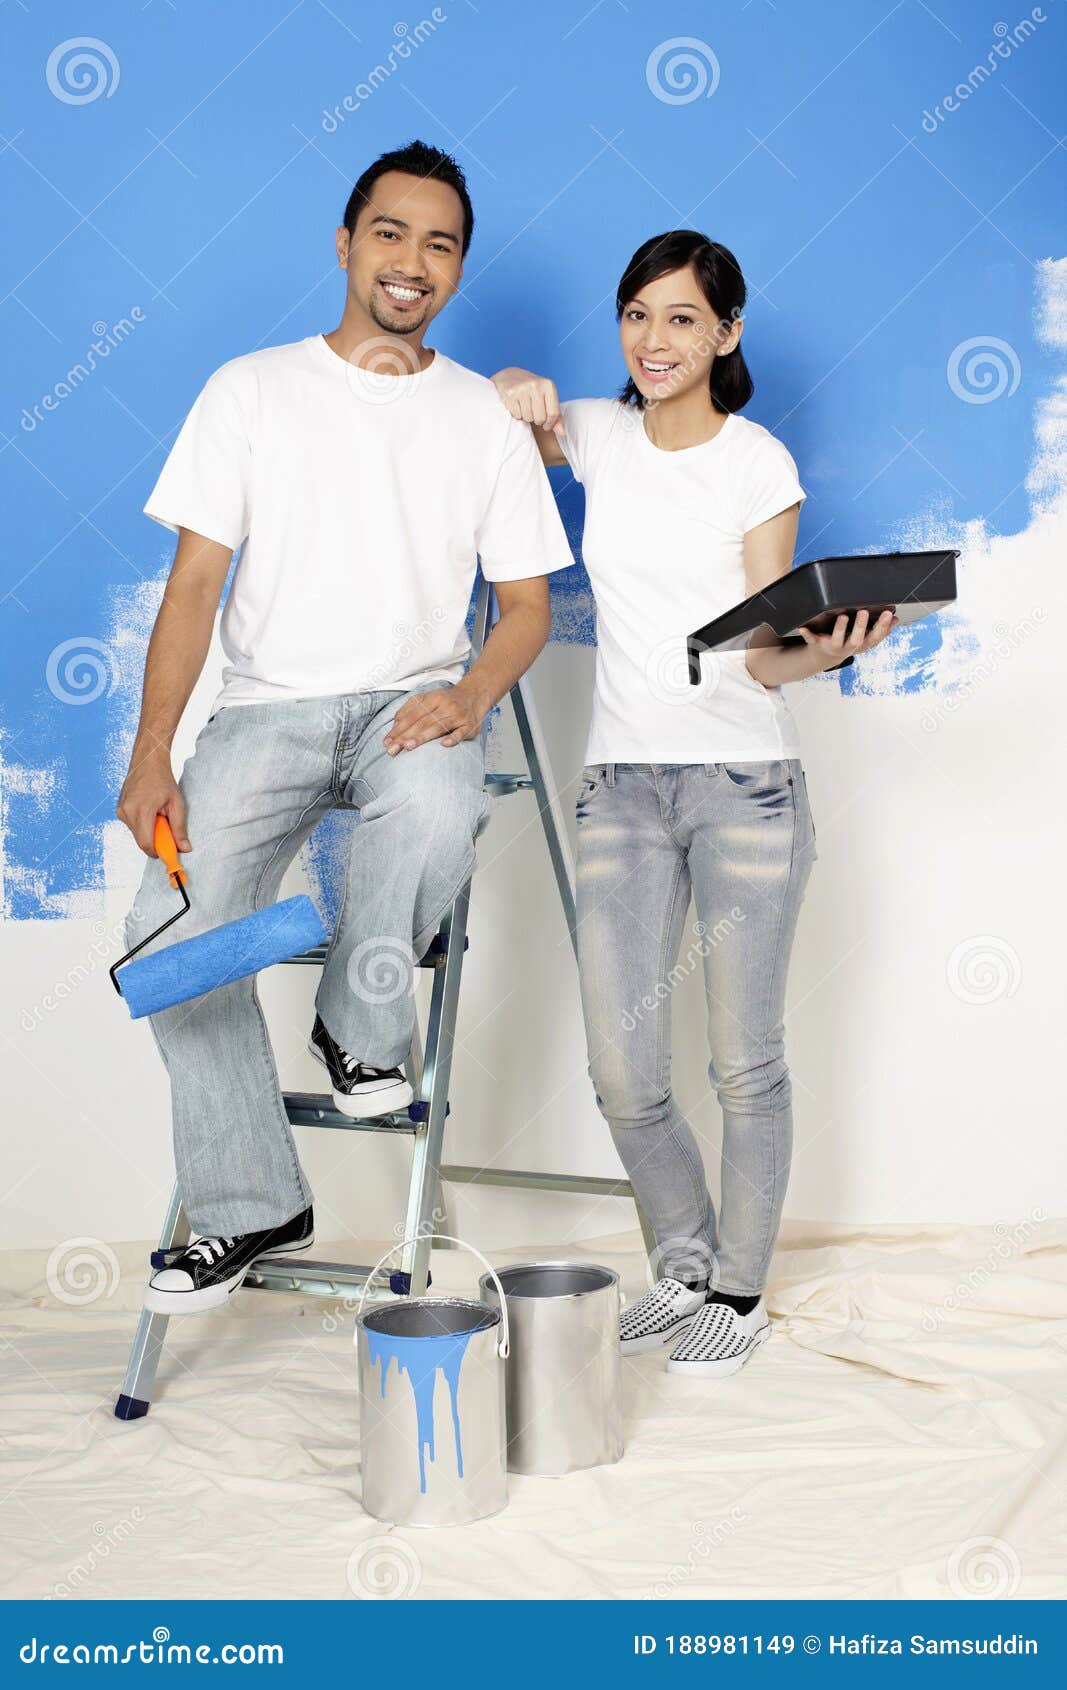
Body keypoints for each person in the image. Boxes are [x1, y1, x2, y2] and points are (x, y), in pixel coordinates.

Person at [118, 140, 574, 1315]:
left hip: (405, 704)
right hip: (265, 709)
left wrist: (469, 699)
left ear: (458, 269)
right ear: (344, 242)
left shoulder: (479, 415)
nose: (412, 261)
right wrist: (152, 747)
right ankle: (248, 1200)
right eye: (390, 232)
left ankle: (357, 1031)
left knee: (440, 802)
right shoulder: (250, 389)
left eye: (439, 243)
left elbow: (524, 607)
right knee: (168, 941)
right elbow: (192, 586)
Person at [493, 230, 897, 1378]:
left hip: (743, 788)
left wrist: (828, 654)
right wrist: (510, 388)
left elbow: (762, 653)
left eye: (680, 318)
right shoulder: (600, 434)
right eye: (635, 314)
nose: (652, 339)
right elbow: (474, 408)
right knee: (622, 1069)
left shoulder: (755, 461)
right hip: (618, 785)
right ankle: (678, 1263)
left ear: (725, 333)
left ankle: (736, 1287)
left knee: (741, 1060)